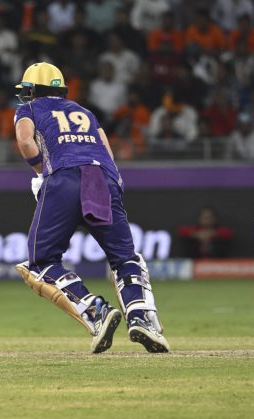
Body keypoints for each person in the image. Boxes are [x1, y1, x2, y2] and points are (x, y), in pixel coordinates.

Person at [13, 62, 169, 354]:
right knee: (125, 258)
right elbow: (108, 154)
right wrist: (113, 187)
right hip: (104, 179)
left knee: (41, 262)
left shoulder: (29, 109)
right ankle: (143, 319)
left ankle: (95, 310)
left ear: (33, 91)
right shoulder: (84, 111)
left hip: (64, 178)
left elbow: (24, 141)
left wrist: (41, 171)